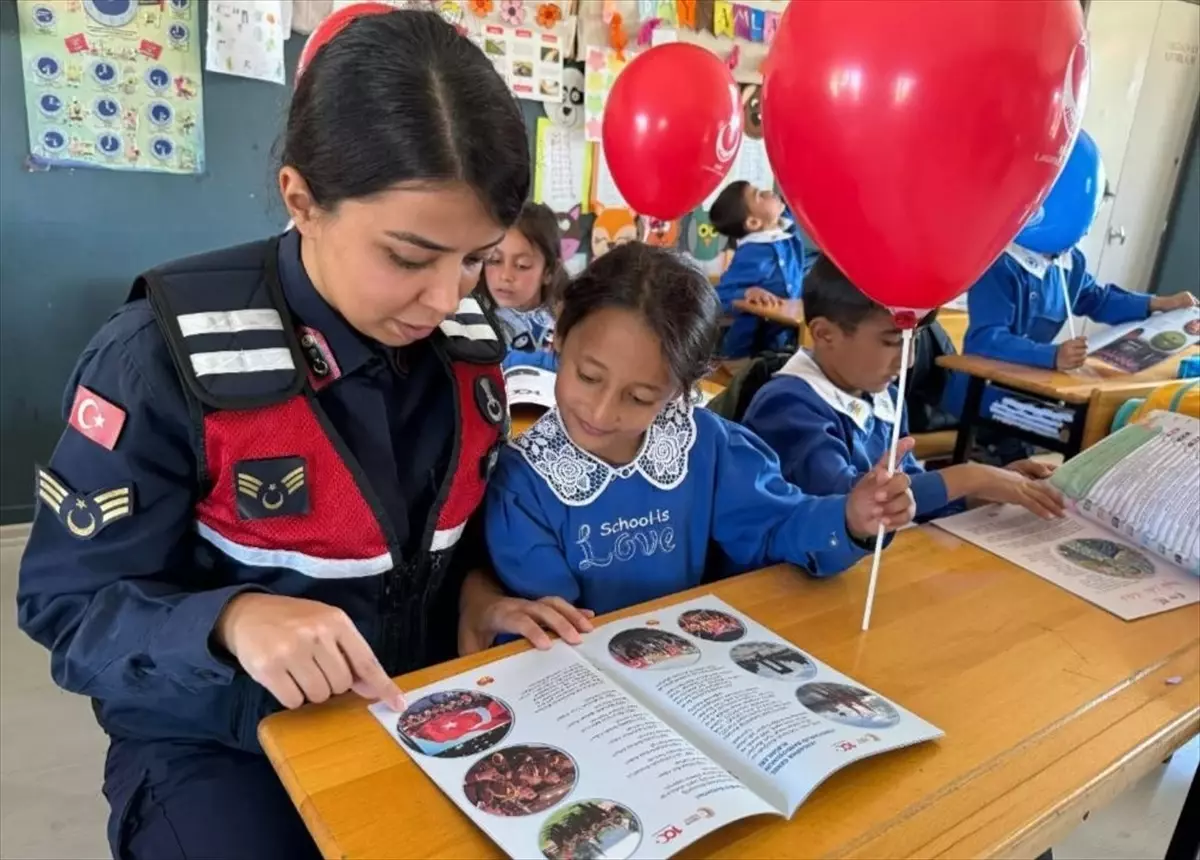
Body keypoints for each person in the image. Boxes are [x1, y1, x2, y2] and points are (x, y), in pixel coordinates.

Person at [14, 11, 584, 859]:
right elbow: (67, 608)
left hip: (418, 709)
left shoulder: (468, 353)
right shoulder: (157, 358)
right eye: (408, 256)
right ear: (302, 200)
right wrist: (230, 619)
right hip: (220, 739)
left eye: (475, 259)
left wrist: (480, 598)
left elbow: (444, 542)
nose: (443, 297)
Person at [476, 243, 917, 620]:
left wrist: (850, 519)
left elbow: (777, 525)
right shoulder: (524, 483)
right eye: (588, 376)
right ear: (559, 338)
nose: (602, 410)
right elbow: (549, 624)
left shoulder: (703, 446)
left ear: (679, 391)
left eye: (641, 397)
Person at [743, 257, 1067, 523]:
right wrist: (971, 477)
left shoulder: (885, 396)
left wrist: (994, 486)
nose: (909, 360)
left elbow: (912, 495)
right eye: (893, 341)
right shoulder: (786, 405)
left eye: (916, 341)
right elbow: (852, 502)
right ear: (825, 335)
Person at [942, 242, 1197, 418]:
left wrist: (1158, 303)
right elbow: (985, 339)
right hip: (984, 395)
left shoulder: (1069, 261)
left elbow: (1098, 299)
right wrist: (1051, 356)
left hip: (1035, 389)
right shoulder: (1000, 263)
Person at [709, 181, 807, 358]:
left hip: (789, 341)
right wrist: (746, 292)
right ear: (754, 222)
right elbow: (718, 298)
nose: (769, 191)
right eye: (760, 195)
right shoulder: (752, 253)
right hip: (750, 355)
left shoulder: (783, 230)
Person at [483, 201, 567, 371]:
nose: (506, 276)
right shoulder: (476, 319)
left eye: (522, 265)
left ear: (548, 272)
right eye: (495, 260)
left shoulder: (566, 319)